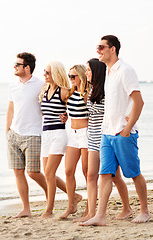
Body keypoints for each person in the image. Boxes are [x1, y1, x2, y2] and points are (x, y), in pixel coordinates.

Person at [81, 35, 151, 226]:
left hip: (122, 133)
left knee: (134, 173)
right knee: (105, 174)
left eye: (101, 47)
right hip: (106, 133)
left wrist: (127, 129)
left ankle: (144, 211)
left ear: (112, 49)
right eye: (97, 48)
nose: (98, 51)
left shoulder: (125, 70)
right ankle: (100, 216)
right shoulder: (108, 72)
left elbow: (139, 101)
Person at [74, 58, 133, 223]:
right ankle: (91, 213)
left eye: (88, 70)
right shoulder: (92, 90)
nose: (86, 73)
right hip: (92, 137)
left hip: (106, 136)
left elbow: (121, 108)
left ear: (96, 71)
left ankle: (127, 208)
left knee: (114, 176)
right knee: (91, 175)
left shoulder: (108, 91)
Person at [6, 52, 48, 218]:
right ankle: (26, 209)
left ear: (27, 67)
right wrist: (7, 130)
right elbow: (11, 107)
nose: (14, 67)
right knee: (18, 172)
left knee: (33, 172)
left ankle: (54, 198)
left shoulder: (41, 84)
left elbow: (50, 105)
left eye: (18, 64)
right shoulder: (13, 85)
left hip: (33, 134)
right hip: (14, 134)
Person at [39, 61, 81, 218]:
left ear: (56, 74)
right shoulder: (44, 91)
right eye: (45, 71)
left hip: (58, 135)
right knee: (47, 174)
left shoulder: (64, 92)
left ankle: (49, 210)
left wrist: (67, 115)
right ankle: (75, 197)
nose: (45, 74)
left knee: (50, 173)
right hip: (46, 135)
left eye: (48, 72)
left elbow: (76, 106)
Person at [60, 65, 90, 219]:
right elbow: (69, 111)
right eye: (69, 76)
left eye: (73, 76)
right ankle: (71, 205)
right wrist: (64, 117)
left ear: (81, 76)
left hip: (85, 134)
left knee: (87, 172)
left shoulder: (87, 94)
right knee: (68, 170)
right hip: (72, 133)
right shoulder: (71, 93)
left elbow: (94, 114)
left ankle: (90, 208)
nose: (70, 79)